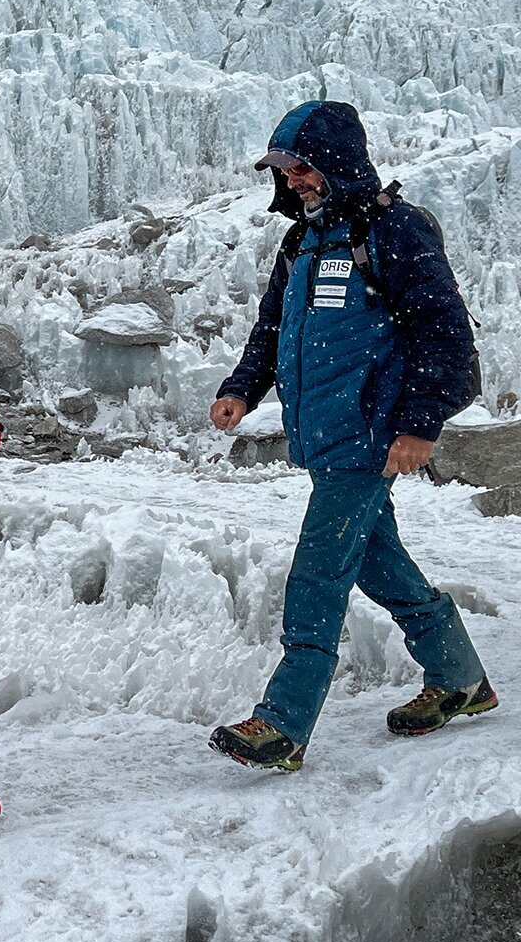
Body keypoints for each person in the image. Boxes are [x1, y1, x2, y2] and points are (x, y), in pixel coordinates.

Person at [209, 100, 496, 771]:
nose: (294, 181)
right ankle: (459, 677)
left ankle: (283, 722)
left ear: (337, 162)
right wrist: (241, 388)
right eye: (284, 170)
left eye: (303, 167)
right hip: (329, 434)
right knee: (375, 559)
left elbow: (446, 336)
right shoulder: (302, 242)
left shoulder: (395, 232)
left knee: (317, 572)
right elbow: (273, 330)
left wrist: (419, 426)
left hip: (368, 438)